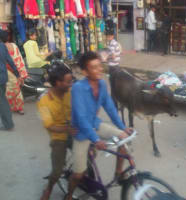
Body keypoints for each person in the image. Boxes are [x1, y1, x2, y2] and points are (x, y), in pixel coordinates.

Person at [65, 51, 132, 200]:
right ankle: (69, 195)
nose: (100, 69)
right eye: (94, 67)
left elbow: (110, 108)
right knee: (78, 174)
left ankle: (118, 174)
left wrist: (123, 127)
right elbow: (81, 119)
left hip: (95, 124)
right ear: (85, 71)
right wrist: (96, 140)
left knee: (123, 140)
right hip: (82, 131)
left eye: (100, 66)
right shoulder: (78, 89)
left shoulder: (102, 83)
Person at [37, 61, 77, 200]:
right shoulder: (43, 101)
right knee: (57, 171)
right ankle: (49, 188)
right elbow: (49, 125)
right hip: (58, 137)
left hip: (73, 131)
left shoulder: (70, 92)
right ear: (58, 83)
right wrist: (67, 128)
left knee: (91, 153)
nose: (71, 84)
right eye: (68, 82)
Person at [0, 30, 28, 115]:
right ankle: (19, 108)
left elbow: (7, 61)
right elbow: (19, 57)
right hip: (17, 69)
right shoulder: (14, 45)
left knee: (8, 90)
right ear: (7, 37)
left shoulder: (2, 47)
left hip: (8, 71)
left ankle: (9, 108)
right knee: (17, 90)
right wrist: (21, 72)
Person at [0, 30, 21, 131]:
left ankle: (8, 124)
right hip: (3, 77)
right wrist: (17, 74)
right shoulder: (3, 46)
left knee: (2, 101)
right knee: (2, 99)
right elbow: (10, 60)